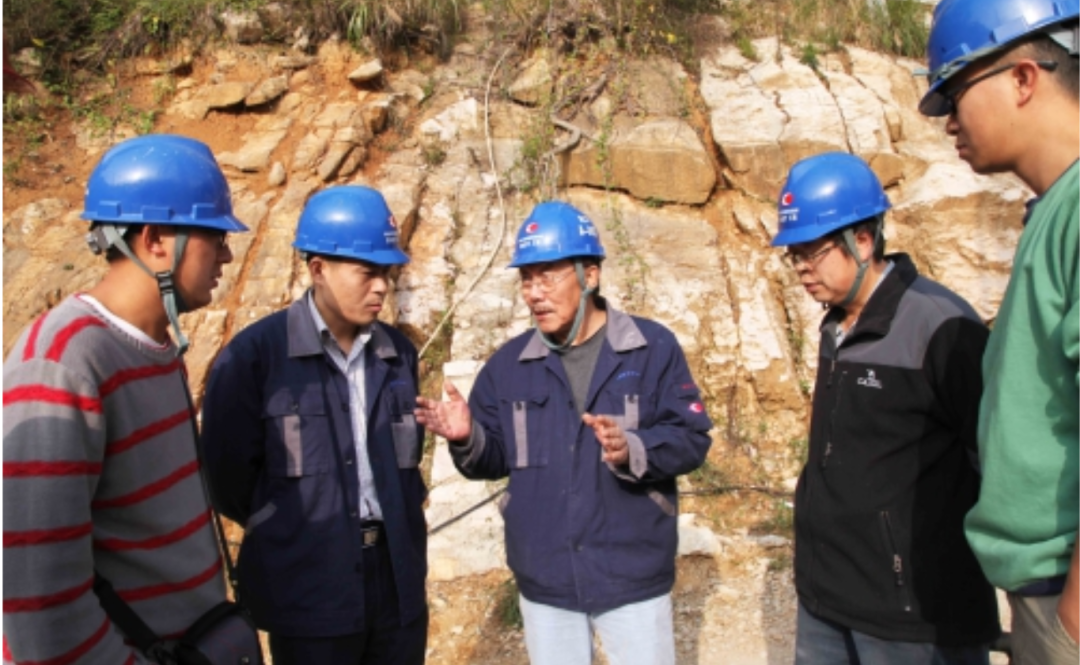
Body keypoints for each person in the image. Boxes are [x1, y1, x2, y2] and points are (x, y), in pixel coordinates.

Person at [415, 200, 712, 665]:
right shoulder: (508, 367)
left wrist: (633, 448)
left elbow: (691, 438)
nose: (534, 293)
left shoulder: (651, 348)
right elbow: (491, 459)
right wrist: (467, 436)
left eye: (548, 277)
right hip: (546, 577)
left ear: (590, 275)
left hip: (631, 572)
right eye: (526, 279)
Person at [3, 135, 248, 663]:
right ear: (156, 239)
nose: (227, 254)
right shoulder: (62, 365)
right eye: (214, 236)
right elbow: (40, 611)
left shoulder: (156, 346)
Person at [771, 152, 1000, 664]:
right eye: (793, 255)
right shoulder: (836, 325)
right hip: (826, 598)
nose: (801, 268)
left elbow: (996, 459)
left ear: (863, 240)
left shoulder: (941, 326)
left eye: (812, 251)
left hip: (913, 615)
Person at [917, 0, 1080, 665]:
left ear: (1023, 77)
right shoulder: (1055, 209)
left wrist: (1073, 620)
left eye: (955, 91)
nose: (948, 120)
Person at [201, 185, 428, 665]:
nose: (382, 287)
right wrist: (289, 525)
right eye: (367, 272)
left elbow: (406, 470)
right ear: (319, 269)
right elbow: (228, 483)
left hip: (398, 587)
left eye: (386, 273)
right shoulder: (255, 358)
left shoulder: (398, 355)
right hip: (307, 590)